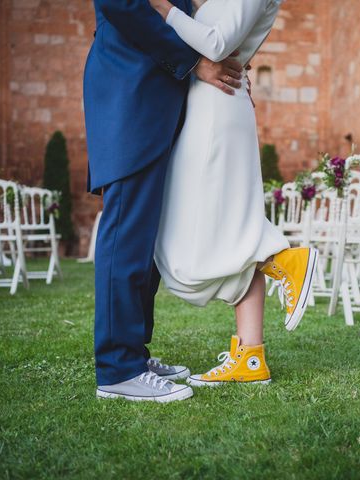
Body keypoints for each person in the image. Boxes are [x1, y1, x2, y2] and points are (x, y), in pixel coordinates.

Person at [84, 0, 247, 403]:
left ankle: (134, 354)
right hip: (131, 89)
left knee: (145, 239)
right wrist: (194, 63)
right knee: (126, 230)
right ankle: (118, 369)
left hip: (157, 96)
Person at [150, 0, 318, 388]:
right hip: (207, 105)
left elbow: (216, 43)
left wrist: (164, 9)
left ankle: (284, 258)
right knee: (228, 224)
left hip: (216, 111)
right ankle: (251, 356)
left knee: (205, 231)